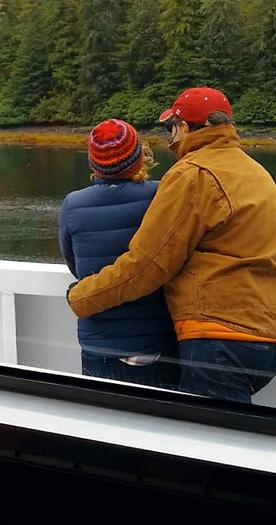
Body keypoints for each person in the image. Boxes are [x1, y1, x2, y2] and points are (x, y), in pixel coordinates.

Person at [66, 87, 276, 403]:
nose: (169, 137)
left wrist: (82, 297)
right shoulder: (255, 171)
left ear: (184, 127)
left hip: (217, 340)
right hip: (268, 340)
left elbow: (147, 265)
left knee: (213, 444)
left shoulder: (191, 175)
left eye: (170, 127)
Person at [59, 118, 179, 389]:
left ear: (93, 163)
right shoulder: (161, 195)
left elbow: (75, 266)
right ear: (139, 156)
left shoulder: (73, 204)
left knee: (104, 425)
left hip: (100, 344)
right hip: (156, 339)